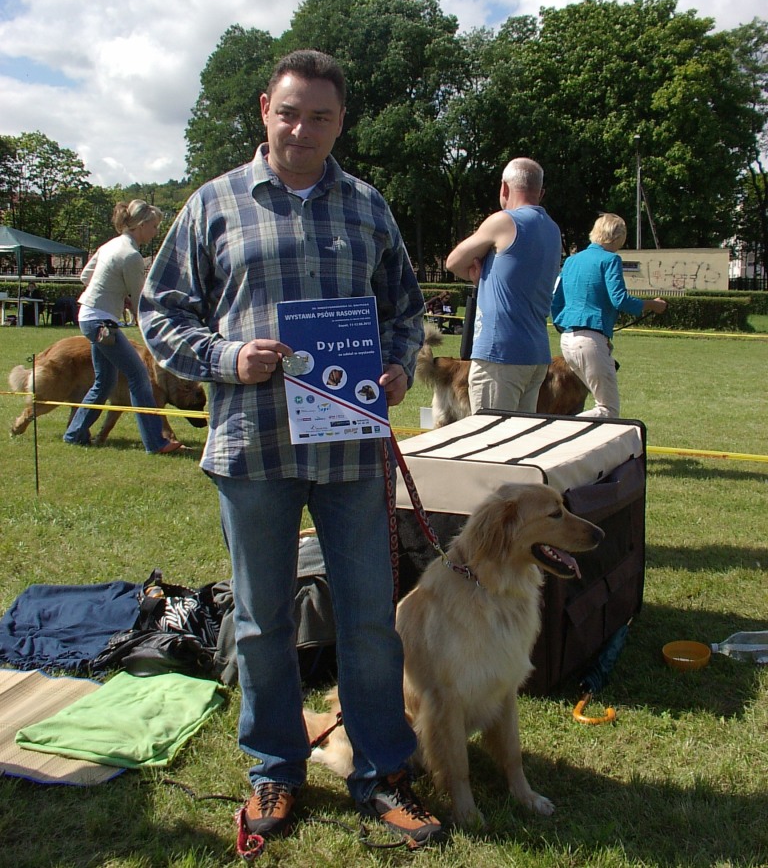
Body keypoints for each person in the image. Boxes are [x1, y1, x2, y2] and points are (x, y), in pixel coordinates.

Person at [138, 50, 442, 845]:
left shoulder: (368, 207)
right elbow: (160, 312)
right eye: (289, 111)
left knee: (372, 620)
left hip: (351, 452)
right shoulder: (213, 205)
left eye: (321, 116)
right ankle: (275, 772)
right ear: (265, 109)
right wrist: (225, 357)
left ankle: (383, 771)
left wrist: (401, 365)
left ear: (341, 122)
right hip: (253, 449)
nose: (302, 128)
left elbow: (406, 310)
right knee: (262, 622)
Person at [63, 199, 186, 453]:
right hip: (101, 322)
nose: (155, 232)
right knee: (139, 377)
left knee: (104, 382)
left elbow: (86, 276)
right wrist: (150, 330)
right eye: (153, 226)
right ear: (141, 225)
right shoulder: (131, 256)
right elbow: (141, 301)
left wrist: (114, 294)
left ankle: (74, 434)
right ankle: (156, 443)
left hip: (90, 316)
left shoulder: (110, 245)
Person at [446, 157, 563, 414]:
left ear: (504, 188)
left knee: (489, 442)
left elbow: (453, 262)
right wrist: (489, 276)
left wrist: (480, 274)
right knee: (518, 442)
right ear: (540, 192)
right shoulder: (553, 230)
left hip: (499, 353)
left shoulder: (504, 221)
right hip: (536, 355)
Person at [551, 213, 668, 418]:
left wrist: (566, 325)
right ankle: (560, 429)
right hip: (591, 340)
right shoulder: (611, 259)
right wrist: (652, 305)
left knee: (588, 405)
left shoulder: (571, 261)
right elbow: (620, 299)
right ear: (617, 237)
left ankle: (565, 428)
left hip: (567, 340)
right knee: (608, 410)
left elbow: (556, 300)